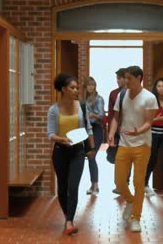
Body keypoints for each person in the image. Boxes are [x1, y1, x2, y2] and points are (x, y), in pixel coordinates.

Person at [108, 65, 158, 232]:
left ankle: (136, 218)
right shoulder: (121, 95)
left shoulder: (149, 98)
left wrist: (138, 131)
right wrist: (111, 132)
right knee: (119, 181)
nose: (126, 81)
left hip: (142, 145)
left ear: (138, 78)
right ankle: (130, 200)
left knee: (138, 182)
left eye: (129, 78)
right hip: (124, 144)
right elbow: (115, 118)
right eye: (125, 78)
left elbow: (149, 122)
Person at [47, 73, 95, 236]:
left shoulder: (82, 106)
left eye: (76, 88)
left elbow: (88, 128)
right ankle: (68, 216)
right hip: (60, 151)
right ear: (63, 89)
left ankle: (69, 221)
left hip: (77, 151)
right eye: (72, 88)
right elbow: (50, 133)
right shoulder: (53, 110)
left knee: (73, 186)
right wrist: (61, 139)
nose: (76, 90)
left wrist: (91, 148)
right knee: (62, 188)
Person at [144, 78, 163, 198]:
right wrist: (158, 119)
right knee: (152, 159)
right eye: (159, 86)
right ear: (155, 88)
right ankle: (145, 184)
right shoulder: (152, 101)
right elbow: (146, 120)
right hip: (154, 134)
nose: (161, 88)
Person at [107, 68, 131, 195]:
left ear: (126, 79)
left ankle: (125, 183)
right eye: (117, 78)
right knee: (117, 157)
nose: (118, 81)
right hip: (116, 130)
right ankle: (119, 184)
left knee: (127, 157)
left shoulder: (133, 93)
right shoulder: (113, 94)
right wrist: (109, 132)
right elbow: (111, 114)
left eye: (119, 78)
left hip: (129, 130)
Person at [82, 76, 105, 195]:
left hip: (96, 129)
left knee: (92, 156)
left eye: (93, 85)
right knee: (89, 157)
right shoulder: (83, 100)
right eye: (89, 85)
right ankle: (93, 185)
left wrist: (92, 115)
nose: (91, 87)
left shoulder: (99, 99)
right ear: (85, 87)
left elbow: (101, 116)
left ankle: (95, 186)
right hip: (85, 130)